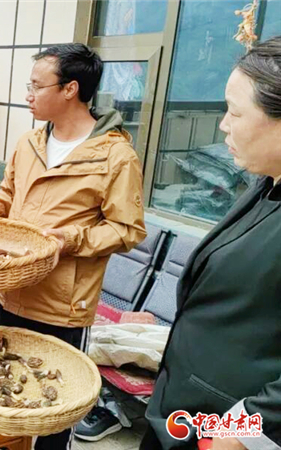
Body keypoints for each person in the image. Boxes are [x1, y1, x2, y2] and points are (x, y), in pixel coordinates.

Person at [0, 43, 147, 449]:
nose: (28, 94)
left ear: (70, 89)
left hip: (62, 307)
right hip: (12, 292)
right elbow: (8, 196)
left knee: (55, 407)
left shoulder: (116, 156)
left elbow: (127, 229)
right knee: (7, 394)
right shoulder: (30, 142)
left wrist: (71, 239)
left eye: (36, 85)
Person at [141, 36, 281, 450]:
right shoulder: (265, 184)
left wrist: (243, 433)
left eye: (235, 112)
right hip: (185, 412)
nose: (223, 124)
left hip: (224, 431)